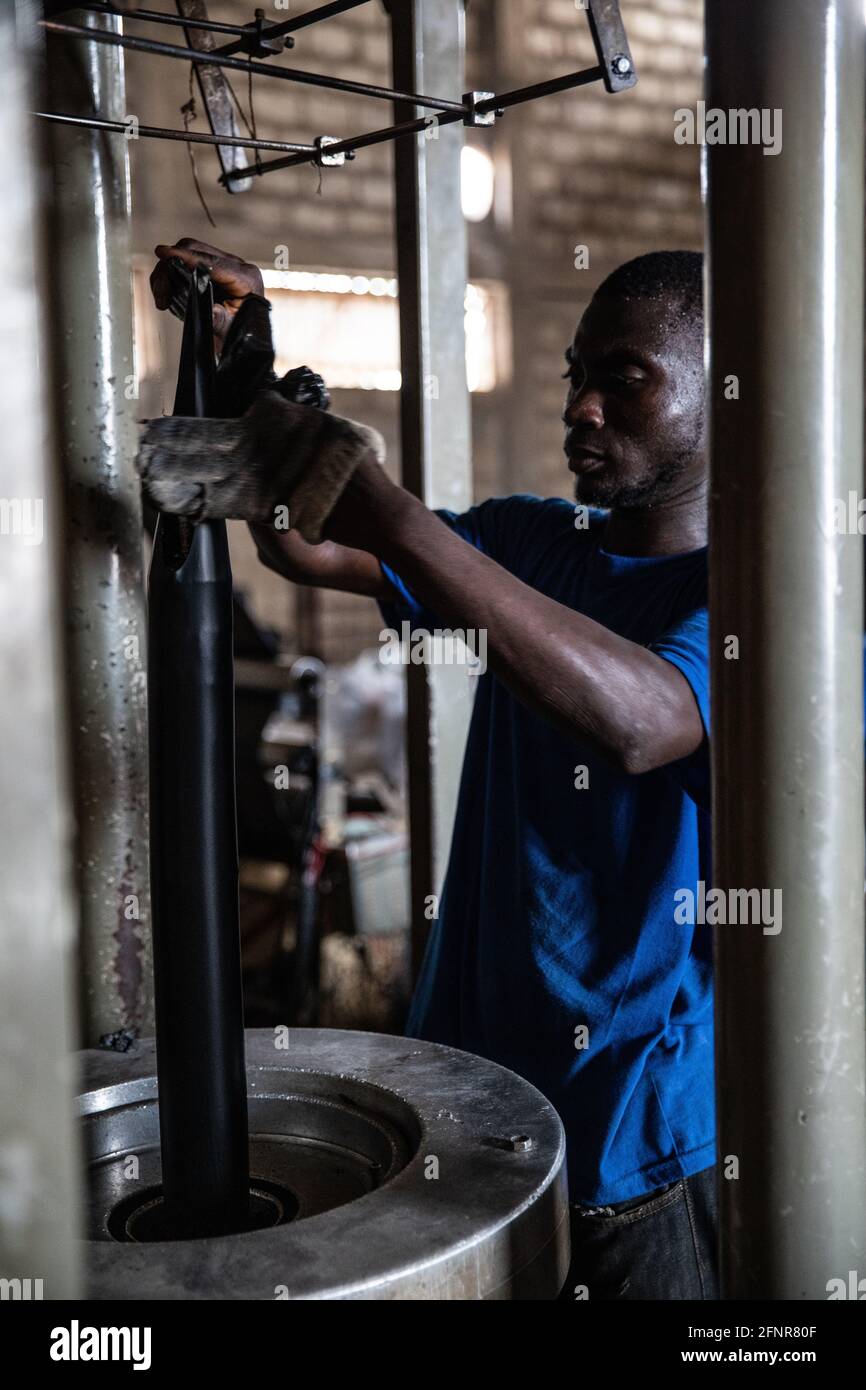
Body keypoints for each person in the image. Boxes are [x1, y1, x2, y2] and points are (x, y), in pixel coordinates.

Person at [146, 239, 717, 1300]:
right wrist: (246, 365)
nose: (581, 407)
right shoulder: (533, 542)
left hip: (631, 1138)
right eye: (575, 377)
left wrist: (397, 513)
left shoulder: (756, 600)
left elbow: (643, 721)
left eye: (623, 379)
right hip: (477, 1097)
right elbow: (307, 547)